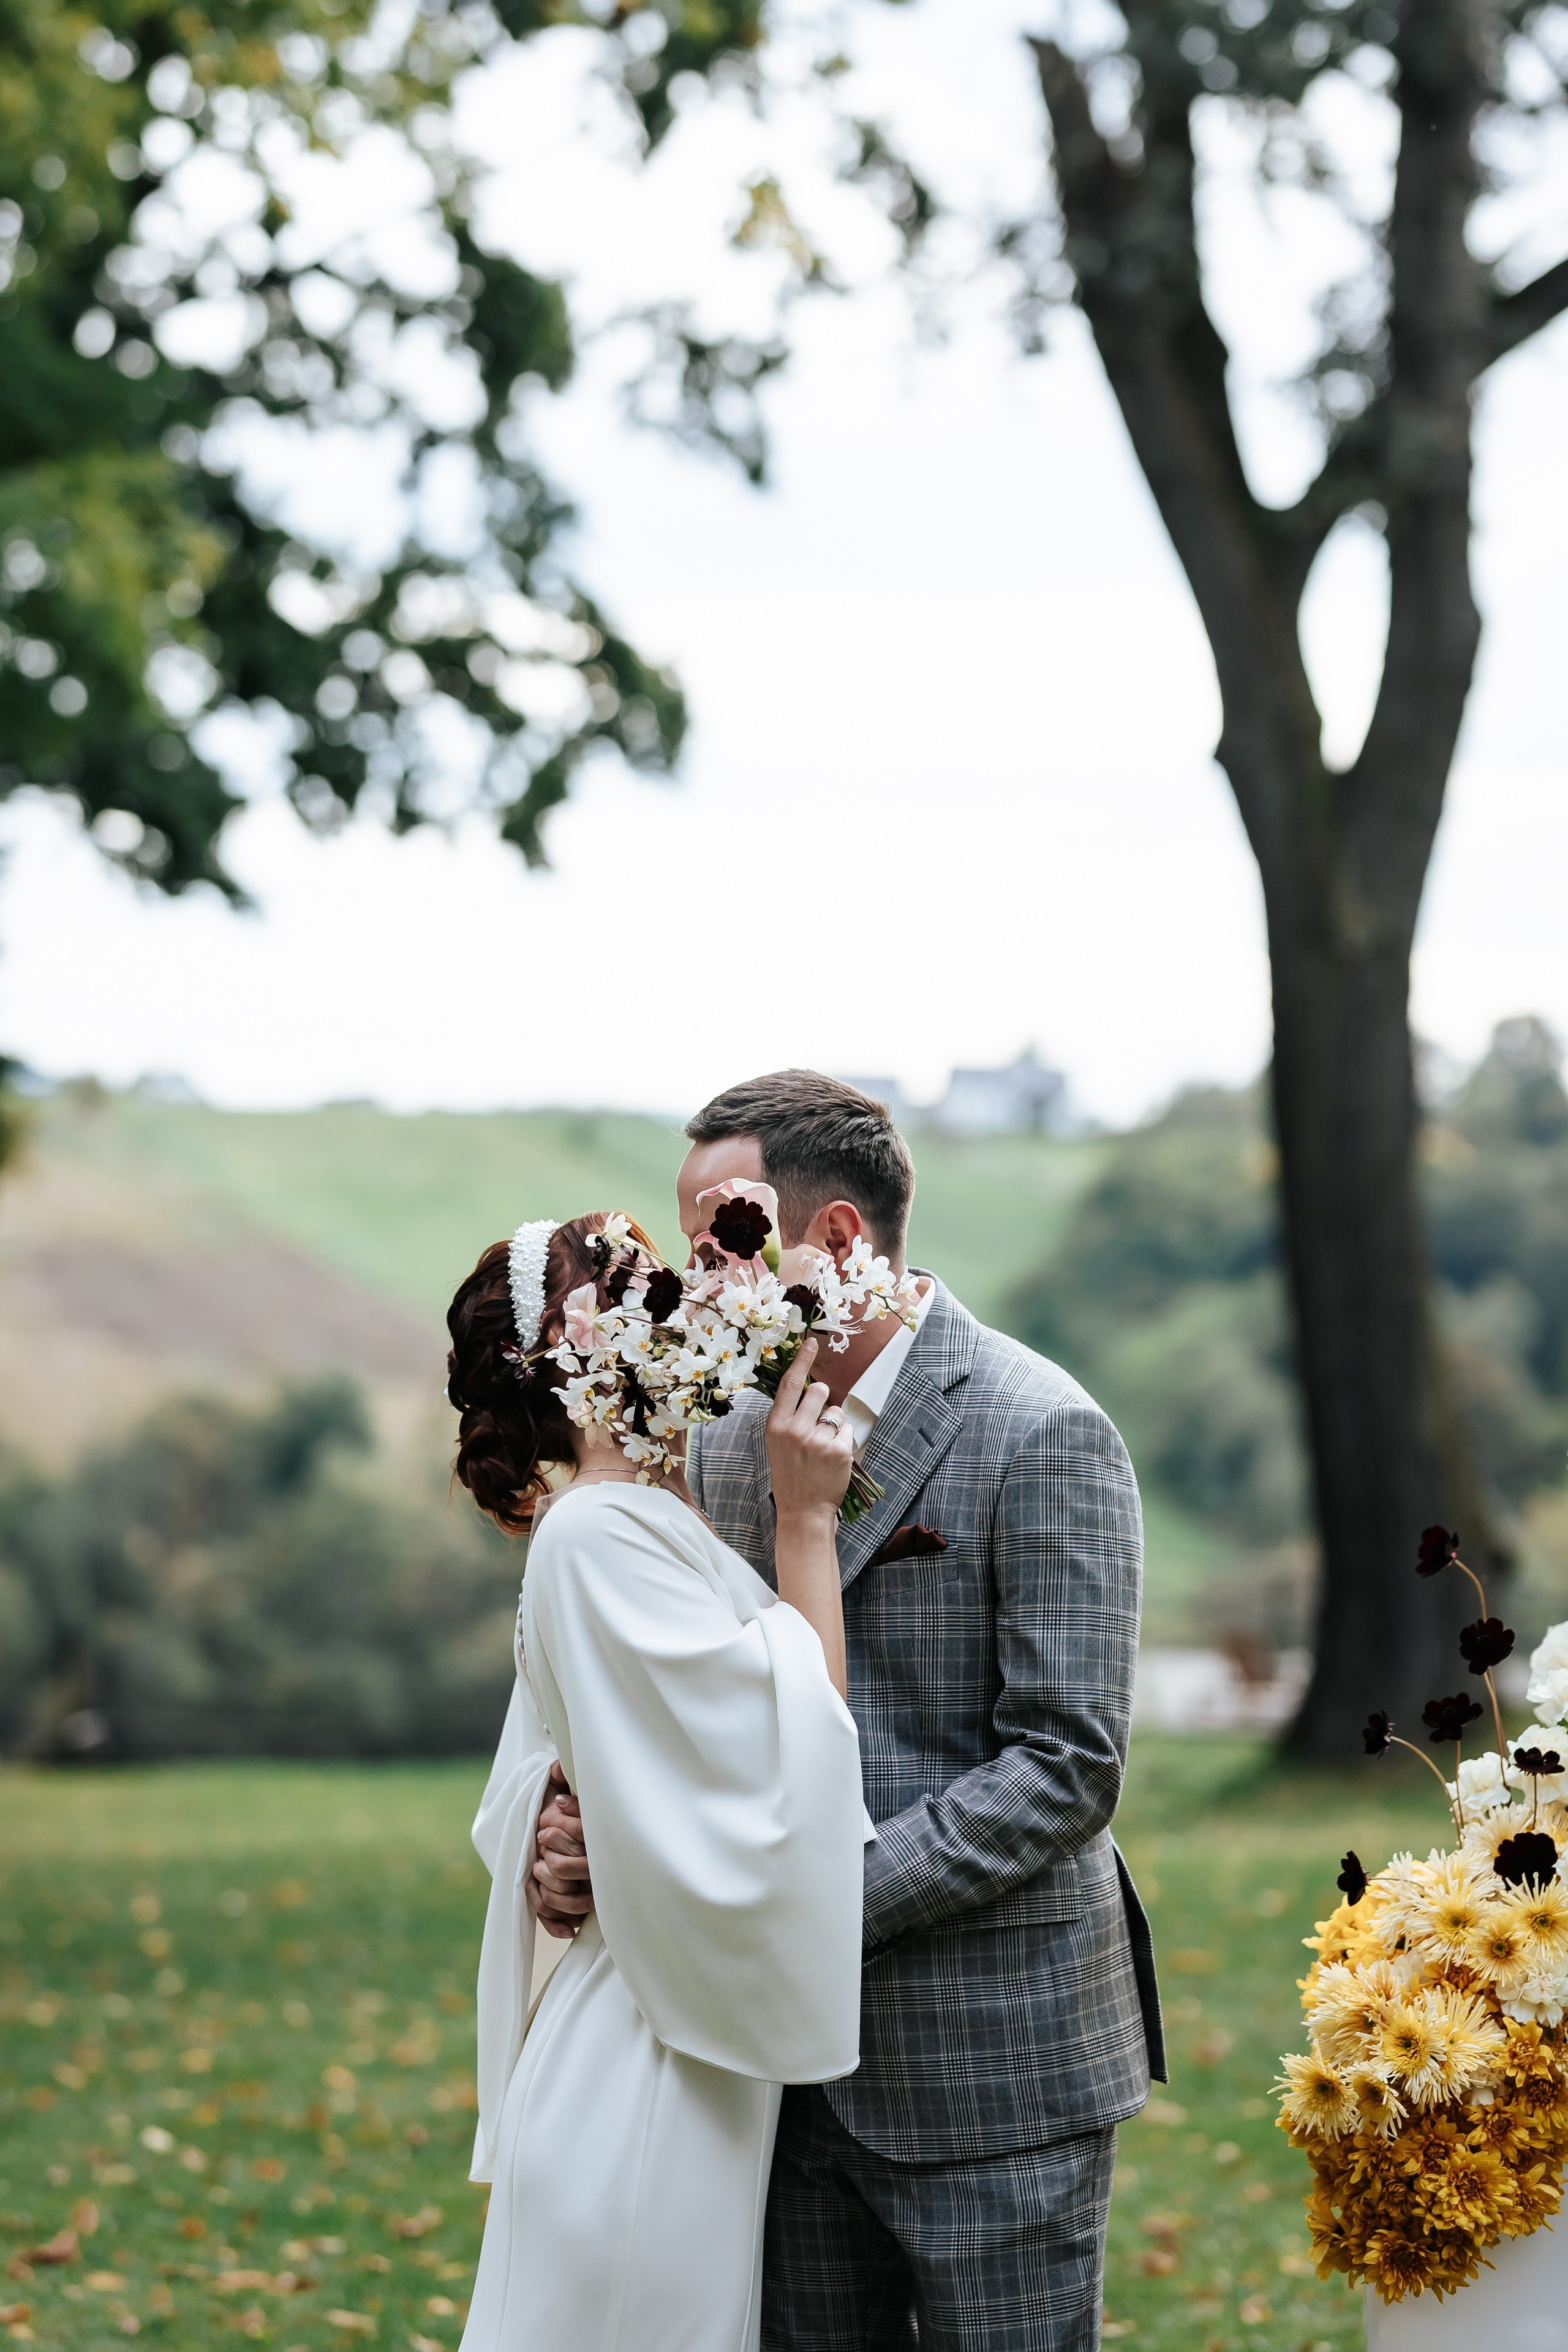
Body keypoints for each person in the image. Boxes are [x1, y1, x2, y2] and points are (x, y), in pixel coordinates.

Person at [530, 1075, 1166, 2352]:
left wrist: (800, 1897)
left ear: (832, 1236)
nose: (695, 1281)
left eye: (719, 1238)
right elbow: (690, 1709)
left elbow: (1064, 1764)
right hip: (767, 2079)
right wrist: (594, 1828)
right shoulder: (721, 1439)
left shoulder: (1044, 1429)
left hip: (993, 2070)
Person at [447, 1210, 870, 2352]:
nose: (686, 1295)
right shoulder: (598, 1536)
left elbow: (559, 1760)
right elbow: (800, 1749)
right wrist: (807, 1521)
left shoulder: (644, 1517)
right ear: (578, 1345)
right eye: (646, 1284)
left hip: (684, 2043)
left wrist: (575, 1816)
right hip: (642, 2063)